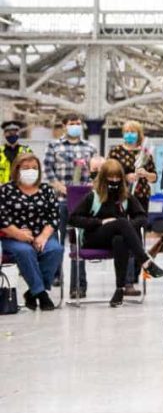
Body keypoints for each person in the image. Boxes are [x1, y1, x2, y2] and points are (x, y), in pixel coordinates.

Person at [68, 158, 163, 307]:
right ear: (103, 177)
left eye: (117, 177)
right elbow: (73, 218)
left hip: (115, 238)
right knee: (121, 222)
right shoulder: (93, 196)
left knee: (121, 238)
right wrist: (100, 222)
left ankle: (120, 289)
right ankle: (145, 261)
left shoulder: (125, 196)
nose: (114, 180)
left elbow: (142, 217)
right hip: (93, 236)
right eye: (110, 177)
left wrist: (128, 226)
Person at [0, 153, 62, 311]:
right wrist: (19, 234)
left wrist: (43, 236)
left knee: (55, 250)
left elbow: (54, 217)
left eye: (34, 168)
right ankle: (42, 294)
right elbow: (2, 219)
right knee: (25, 251)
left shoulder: (46, 190)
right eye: (26, 168)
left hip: (43, 235)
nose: (31, 171)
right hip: (12, 237)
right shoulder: (5, 190)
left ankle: (33, 293)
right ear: (17, 169)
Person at [44, 112, 96, 297]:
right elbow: (48, 171)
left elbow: (95, 173)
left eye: (78, 123)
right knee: (57, 239)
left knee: (78, 242)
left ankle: (79, 285)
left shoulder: (90, 147)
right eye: (72, 123)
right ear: (65, 125)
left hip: (82, 202)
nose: (75, 125)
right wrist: (61, 187)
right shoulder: (54, 146)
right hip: (60, 200)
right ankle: (55, 275)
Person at [107, 120, 158, 297]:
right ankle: (126, 280)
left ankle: (134, 274)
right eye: (126, 131)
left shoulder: (145, 153)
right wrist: (124, 177)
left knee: (137, 235)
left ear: (139, 133)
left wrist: (145, 174)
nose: (129, 134)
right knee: (126, 236)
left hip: (141, 197)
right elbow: (108, 173)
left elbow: (154, 177)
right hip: (121, 197)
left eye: (133, 131)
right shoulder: (115, 152)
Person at [0, 120, 31, 185]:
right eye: (9, 132)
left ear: (19, 133)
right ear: (4, 134)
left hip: (22, 187)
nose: (12, 134)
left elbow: (32, 169)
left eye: (14, 132)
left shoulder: (26, 150)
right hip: (2, 187)